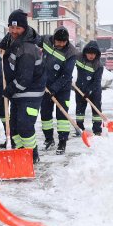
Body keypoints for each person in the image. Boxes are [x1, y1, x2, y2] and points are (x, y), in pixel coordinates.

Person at [0, 9, 45, 164]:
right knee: (14, 127)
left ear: (24, 28)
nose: (14, 31)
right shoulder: (13, 41)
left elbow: (24, 79)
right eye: (11, 27)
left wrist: (10, 90)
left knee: (25, 126)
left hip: (30, 92)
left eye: (18, 28)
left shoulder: (27, 49)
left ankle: (32, 155)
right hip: (18, 93)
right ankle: (20, 155)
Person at [37, 26, 78, 155]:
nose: (60, 44)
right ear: (54, 39)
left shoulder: (71, 52)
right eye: (58, 41)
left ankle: (62, 142)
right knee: (45, 115)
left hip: (62, 88)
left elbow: (66, 75)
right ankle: (49, 139)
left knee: (62, 116)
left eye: (63, 41)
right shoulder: (46, 40)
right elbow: (31, 39)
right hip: (45, 85)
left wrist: (54, 88)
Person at [75, 41, 104, 135]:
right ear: (85, 53)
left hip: (94, 90)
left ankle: (97, 129)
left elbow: (97, 81)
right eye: (89, 53)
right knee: (79, 109)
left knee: (96, 109)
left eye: (94, 54)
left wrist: (89, 91)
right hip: (80, 88)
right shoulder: (79, 58)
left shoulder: (98, 65)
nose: (91, 56)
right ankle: (79, 128)